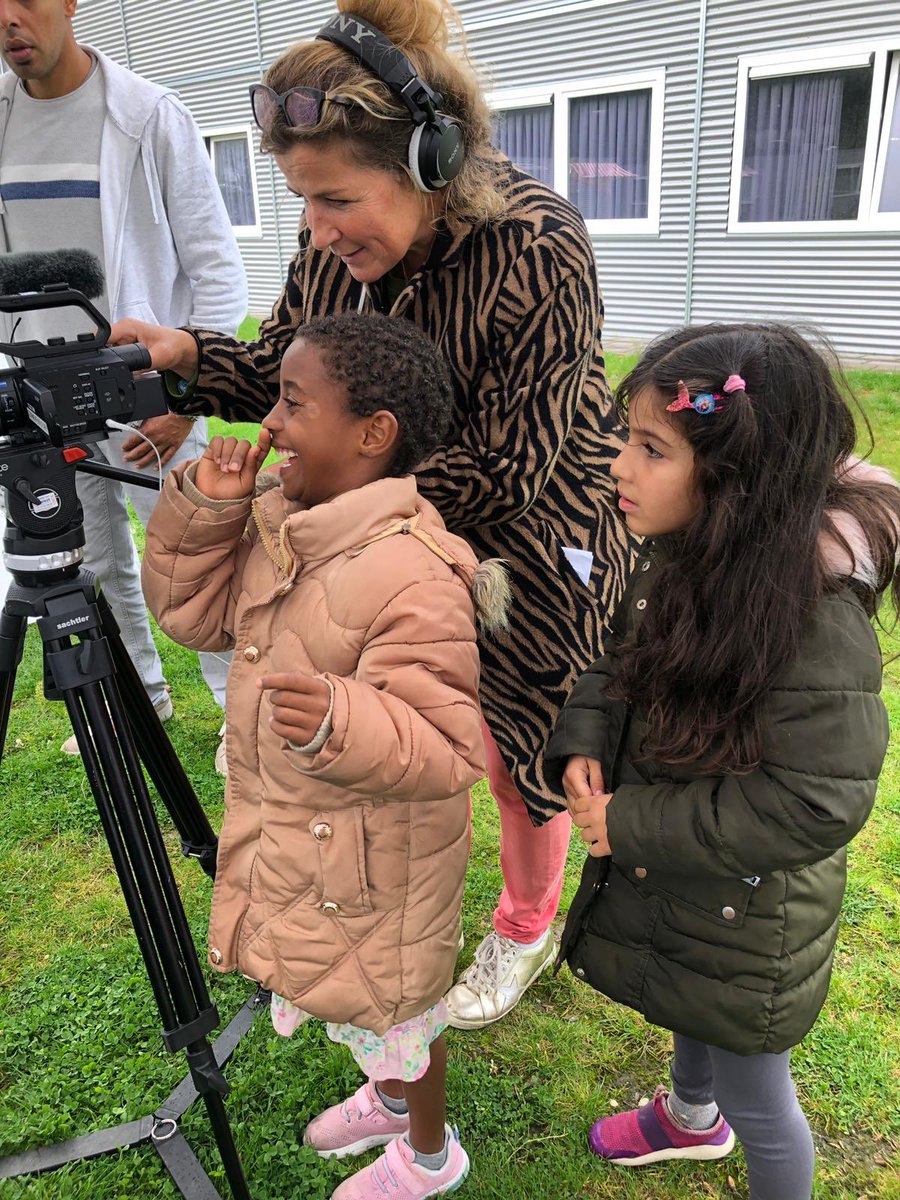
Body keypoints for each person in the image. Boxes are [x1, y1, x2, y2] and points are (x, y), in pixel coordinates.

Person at [110, 0, 635, 1027]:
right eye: (303, 203)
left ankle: (525, 925)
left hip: (537, 534)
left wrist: (320, 501)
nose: (317, 230)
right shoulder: (333, 252)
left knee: (510, 739)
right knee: (390, 719)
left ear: (429, 164)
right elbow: (283, 366)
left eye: (337, 199)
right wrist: (187, 359)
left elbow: (507, 467)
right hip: (385, 528)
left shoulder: (538, 246)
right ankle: (359, 921)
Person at [142, 312, 507, 1199]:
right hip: (311, 833)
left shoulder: (416, 571)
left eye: (293, 403)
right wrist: (212, 511)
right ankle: (386, 1100)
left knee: (396, 1008)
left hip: (382, 863)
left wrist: (342, 719)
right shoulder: (282, 521)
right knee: (362, 1003)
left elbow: (451, 743)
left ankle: (429, 1151)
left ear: (372, 435)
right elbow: (193, 616)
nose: (267, 423)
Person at [544, 322, 900, 1200]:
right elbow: (617, 661)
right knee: (685, 1000)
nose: (618, 465)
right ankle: (688, 1120)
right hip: (688, 887)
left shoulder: (811, 621)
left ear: (732, 479)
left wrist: (627, 821)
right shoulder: (678, 556)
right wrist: (585, 737)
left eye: (649, 448)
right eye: (625, 438)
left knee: (760, 1094)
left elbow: (815, 803)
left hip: (749, 913)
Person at [0, 0, 247, 766]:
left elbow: (217, 271)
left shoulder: (148, 116)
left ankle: (240, 719)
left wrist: (184, 398)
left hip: (145, 390)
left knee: (197, 556)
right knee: (95, 559)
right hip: (37, 396)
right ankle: (137, 700)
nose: (10, 18)